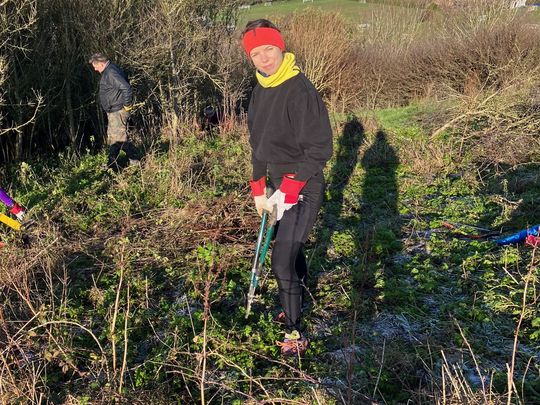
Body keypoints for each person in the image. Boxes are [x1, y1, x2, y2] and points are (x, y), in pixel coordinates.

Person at [242, 19, 333, 356]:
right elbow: (258, 144)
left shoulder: (300, 90)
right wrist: (258, 187)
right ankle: (296, 298)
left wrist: (291, 187)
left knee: (281, 260)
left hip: (304, 182)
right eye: (256, 54)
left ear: (281, 48)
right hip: (278, 183)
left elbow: (321, 150)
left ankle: (295, 331)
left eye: (269, 50)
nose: (264, 59)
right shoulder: (258, 90)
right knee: (292, 251)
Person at [89, 53, 140, 171]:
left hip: (118, 111)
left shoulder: (111, 72)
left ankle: (135, 161)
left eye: (95, 66)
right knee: (114, 138)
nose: (95, 69)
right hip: (114, 111)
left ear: (101, 63)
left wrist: (127, 105)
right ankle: (112, 164)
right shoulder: (111, 70)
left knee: (119, 138)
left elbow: (126, 88)